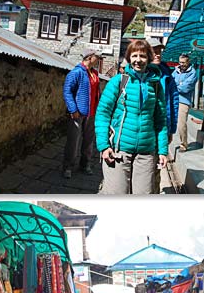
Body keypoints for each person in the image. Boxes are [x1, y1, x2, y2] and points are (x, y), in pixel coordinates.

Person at [95, 39, 168, 195]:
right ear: (129, 58)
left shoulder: (155, 85)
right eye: (134, 56)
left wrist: (162, 151)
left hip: (146, 153)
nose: (138, 60)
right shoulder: (119, 82)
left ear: (148, 58)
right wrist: (103, 145)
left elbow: (160, 120)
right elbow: (102, 114)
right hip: (118, 150)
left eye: (142, 56)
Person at [62, 52, 101, 179]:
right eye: (97, 57)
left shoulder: (94, 73)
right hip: (78, 113)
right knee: (74, 141)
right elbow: (67, 91)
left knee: (89, 141)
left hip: (92, 112)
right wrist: (73, 109)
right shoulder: (76, 72)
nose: (99, 59)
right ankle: (68, 166)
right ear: (89, 57)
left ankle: (85, 164)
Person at [148, 40, 179, 141]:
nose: (157, 55)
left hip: (161, 127)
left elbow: (174, 101)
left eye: (159, 52)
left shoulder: (167, 76)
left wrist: (171, 129)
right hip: (144, 127)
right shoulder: (139, 74)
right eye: (154, 52)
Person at [172, 54, 197, 151]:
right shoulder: (176, 71)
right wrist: (178, 84)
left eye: (183, 62)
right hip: (173, 98)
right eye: (180, 62)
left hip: (183, 101)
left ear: (188, 62)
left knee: (181, 124)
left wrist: (175, 85)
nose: (181, 64)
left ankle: (184, 144)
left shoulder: (193, 73)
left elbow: (185, 88)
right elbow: (170, 82)